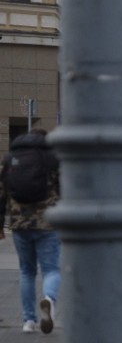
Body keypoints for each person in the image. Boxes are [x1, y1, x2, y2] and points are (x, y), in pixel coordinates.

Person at [0, 129, 60, 334]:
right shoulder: (51, 158)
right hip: (48, 223)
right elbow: (63, 190)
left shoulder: (10, 158)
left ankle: (28, 321)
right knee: (51, 269)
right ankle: (49, 299)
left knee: (26, 271)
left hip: (19, 224)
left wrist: (0, 225)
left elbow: (2, 194)